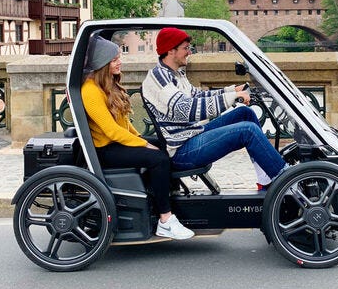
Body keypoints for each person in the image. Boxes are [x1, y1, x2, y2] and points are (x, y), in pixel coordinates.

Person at [142, 27, 288, 190]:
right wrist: (232, 97)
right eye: (185, 48)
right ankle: (287, 182)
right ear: (170, 50)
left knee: (245, 114)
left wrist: (232, 90)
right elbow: (186, 109)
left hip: (192, 135)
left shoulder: (176, 74)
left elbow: (197, 96)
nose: (189, 52)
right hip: (181, 151)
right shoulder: (158, 78)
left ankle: (266, 180)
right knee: (248, 130)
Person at [81, 36, 193, 240]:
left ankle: (165, 195)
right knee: (157, 158)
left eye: (118, 57)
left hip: (116, 143)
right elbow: (112, 131)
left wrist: (141, 138)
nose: (119, 62)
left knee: (165, 143)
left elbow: (124, 123)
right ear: (102, 64)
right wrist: (143, 145)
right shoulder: (90, 91)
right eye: (114, 60)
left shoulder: (107, 85)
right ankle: (166, 220)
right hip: (106, 150)